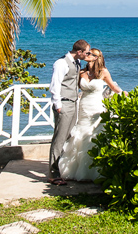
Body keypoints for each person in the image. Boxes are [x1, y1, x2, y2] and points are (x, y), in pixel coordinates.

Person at [58, 48, 125, 181]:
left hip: (96, 106)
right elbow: (71, 86)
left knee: (94, 134)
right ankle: (77, 169)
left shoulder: (103, 72)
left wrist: (124, 94)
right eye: (87, 53)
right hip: (83, 106)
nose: (87, 55)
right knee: (80, 134)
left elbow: (112, 87)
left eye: (90, 54)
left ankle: (95, 170)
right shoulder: (81, 72)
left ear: (96, 57)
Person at [48, 39, 90, 186]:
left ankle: (62, 168)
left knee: (68, 136)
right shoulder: (61, 63)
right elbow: (55, 84)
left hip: (73, 102)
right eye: (87, 52)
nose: (88, 54)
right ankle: (54, 173)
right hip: (64, 103)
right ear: (79, 52)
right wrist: (57, 104)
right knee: (59, 137)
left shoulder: (77, 62)